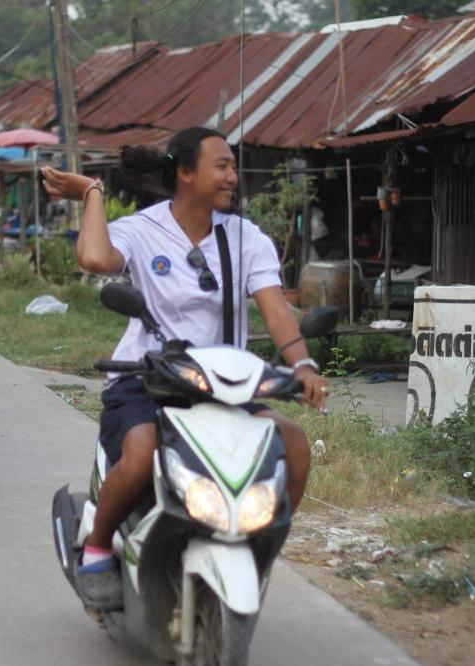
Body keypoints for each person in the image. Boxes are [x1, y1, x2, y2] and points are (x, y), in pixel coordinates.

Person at [41, 127, 329, 609]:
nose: (233, 177)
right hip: (146, 379)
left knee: (293, 447)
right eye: (222, 166)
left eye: (234, 167)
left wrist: (303, 365)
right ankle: (96, 547)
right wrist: (92, 192)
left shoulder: (244, 237)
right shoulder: (142, 228)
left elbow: (276, 310)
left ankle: (257, 547)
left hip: (220, 386)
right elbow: (94, 257)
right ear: (185, 172)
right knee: (141, 453)